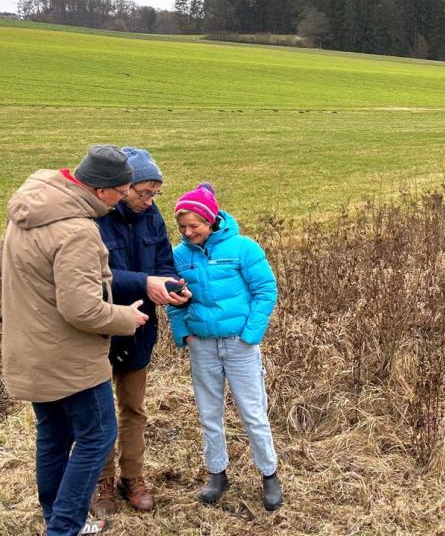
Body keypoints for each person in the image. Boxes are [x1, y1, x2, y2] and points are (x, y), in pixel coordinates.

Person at [1, 145, 149, 536]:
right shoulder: (78, 230)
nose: (122, 199)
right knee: (98, 435)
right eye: (121, 191)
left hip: (30, 349)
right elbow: (82, 309)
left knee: (53, 435)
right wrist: (126, 317)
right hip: (69, 360)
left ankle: (56, 518)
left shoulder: (33, 205)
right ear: (101, 190)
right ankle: (64, 528)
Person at [167, 183, 283, 511]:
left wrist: (251, 334)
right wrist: (184, 334)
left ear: (211, 219)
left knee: (252, 412)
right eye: (182, 227)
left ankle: (269, 474)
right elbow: (172, 299)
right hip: (202, 346)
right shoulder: (178, 256)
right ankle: (217, 474)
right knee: (208, 414)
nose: (188, 233)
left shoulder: (243, 248)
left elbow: (265, 290)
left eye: (195, 226)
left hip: (239, 345)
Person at [90, 147, 192, 517]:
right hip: (99, 331)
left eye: (155, 194)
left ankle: (131, 477)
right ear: (122, 187)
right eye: (143, 192)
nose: (149, 201)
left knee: (134, 408)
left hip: (140, 329)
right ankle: (101, 481)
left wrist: (171, 287)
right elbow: (92, 278)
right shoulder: (95, 218)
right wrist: (144, 282)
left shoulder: (152, 218)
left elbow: (164, 261)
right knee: (98, 412)